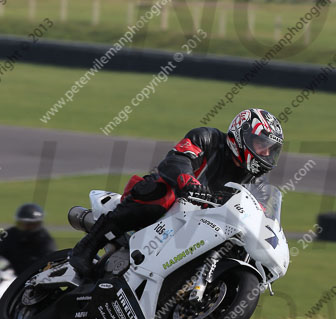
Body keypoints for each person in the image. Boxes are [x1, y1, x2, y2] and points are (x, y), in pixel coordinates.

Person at [70, 108, 284, 278]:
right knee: (161, 191)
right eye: (261, 144)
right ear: (242, 133)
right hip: (173, 207)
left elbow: (260, 218)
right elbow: (177, 160)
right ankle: (87, 247)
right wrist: (187, 181)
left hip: (206, 228)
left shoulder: (260, 187)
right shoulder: (207, 138)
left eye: (270, 149)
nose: (265, 153)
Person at [0, 204, 56, 276]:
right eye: (23, 224)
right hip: (3, 277)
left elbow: (48, 266)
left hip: (26, 284)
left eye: (32, 224)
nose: (27, 227)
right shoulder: (8, 234)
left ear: (39, 224)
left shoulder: (46, 242)